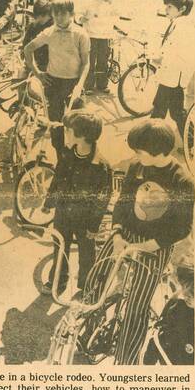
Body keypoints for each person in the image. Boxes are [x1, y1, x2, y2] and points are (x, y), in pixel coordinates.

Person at [83, 120, 194, 365]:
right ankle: (88, 332)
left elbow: (181, 227)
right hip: (126, 236)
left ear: (158, 152)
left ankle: (126, 363)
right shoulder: (136, 166)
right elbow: (123, 202)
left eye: (139, 150)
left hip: (154, 245)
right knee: (95, 279)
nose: (135, 155)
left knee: (136, 305)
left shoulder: (182, 181)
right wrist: (119, 233)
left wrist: (145, 246)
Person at [41, 110, 112, 295]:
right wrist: (50, 201)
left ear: (81, 137)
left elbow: (102, 199)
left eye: (69, 130)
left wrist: (94, 226)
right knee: (59, 247)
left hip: (85, 219)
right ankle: (57, 280)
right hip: (63, 212)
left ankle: (87, 286)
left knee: (87, 255)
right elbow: (59, 178)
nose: (66, 133)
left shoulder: (101, 166)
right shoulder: (67, 152)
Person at [23, 0, 90, 156]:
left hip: (74, 83)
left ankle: (80, 157)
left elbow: (86, 63)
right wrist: (37, 72)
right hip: (53, 83)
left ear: (72, 14)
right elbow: (28, 49)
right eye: (56, 14)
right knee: (56, 126)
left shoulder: (81, 34)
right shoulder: (48, 32)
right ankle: (61, 157)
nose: (59, 17)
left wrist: (79, 85)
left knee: (81, 125)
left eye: (63, 14)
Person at [151, 0, 195, 135]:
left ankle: (149, 144)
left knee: (159, 110)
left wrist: (156, 58)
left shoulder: (181, 25)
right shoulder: (179, 23)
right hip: (174, 76)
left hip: (172, 76)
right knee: (176, 112)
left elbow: (173, 50)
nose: (166, 10)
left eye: (169, 7)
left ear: (181, 9)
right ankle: (191, 142)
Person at [78, 0, 120, 94]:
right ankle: (88, 85)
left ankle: (102, 84)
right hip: (90, 35)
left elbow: (117, 15)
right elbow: (79, 14)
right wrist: (81, 18)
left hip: (105, 35)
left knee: (103, 60)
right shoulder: (88, 1)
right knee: (90, 61)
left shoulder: (111, 2)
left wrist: (112, 5)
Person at [21, 0, 53, 75]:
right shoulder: (33, 26)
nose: (38, 19)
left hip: (48, 64)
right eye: (37, 16)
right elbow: (25, 45)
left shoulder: (53, 27)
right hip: (34, 62)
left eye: (42, 16)